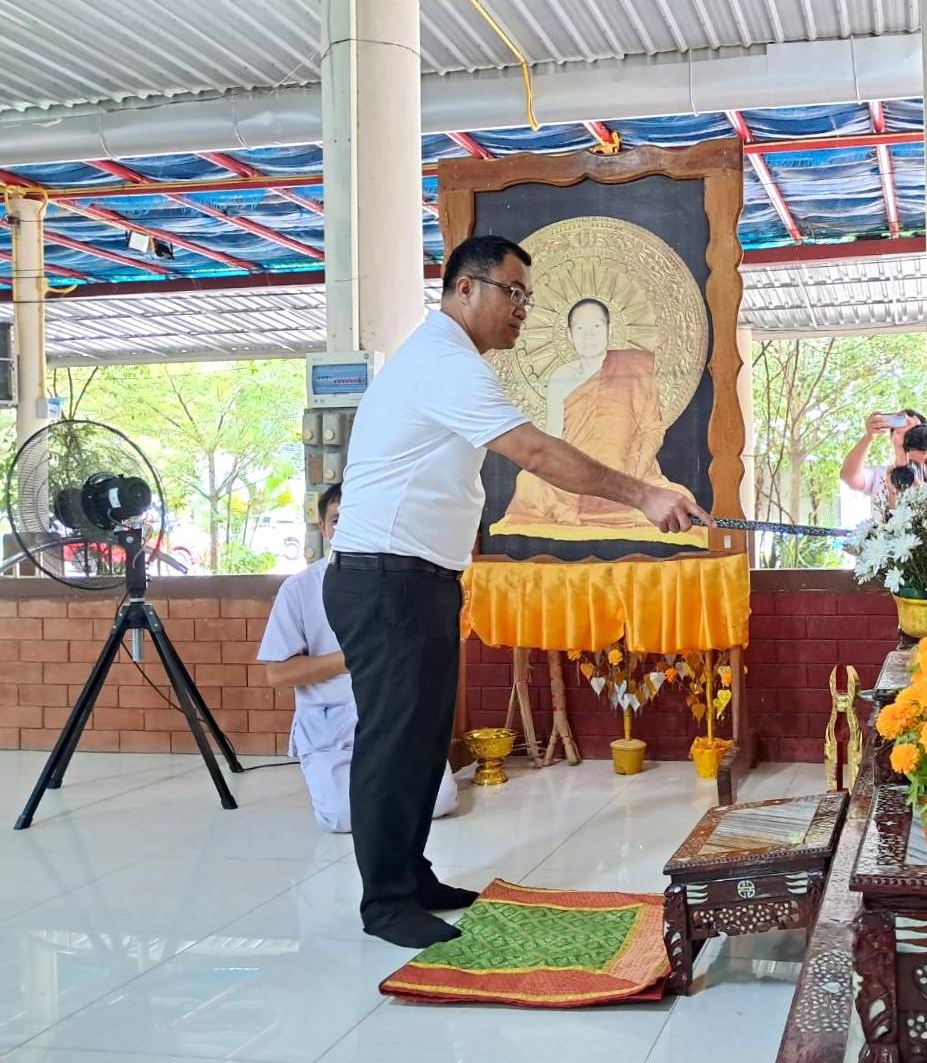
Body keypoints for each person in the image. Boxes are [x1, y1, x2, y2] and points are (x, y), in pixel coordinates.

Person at [325, 234, 710, 948]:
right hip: (385, 578)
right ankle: (384, 902)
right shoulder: (444, 361)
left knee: (420, 737)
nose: (523, 312)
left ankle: (411, 876)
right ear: (463, 289)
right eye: (513, 293)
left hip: (419, 577)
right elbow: (533, 451)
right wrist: (643, 495)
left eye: (528, 298)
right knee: (392, 740)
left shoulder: (454, 363)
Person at [258, 483, 459, 833]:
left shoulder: (401, 583)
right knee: (342, 817)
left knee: (440, 802)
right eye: (337, 519)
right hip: (330, 724)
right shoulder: (300, 588)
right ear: (323, 528)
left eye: (355, 518)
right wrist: (355, 658)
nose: (345, 526)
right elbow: (277, 674)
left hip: (395, 720)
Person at [494, 296, 701, 543]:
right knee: (528, 483)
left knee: (679, 495)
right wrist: (567, 478)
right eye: (580, 328)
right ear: (569, 335)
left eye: (596, 327)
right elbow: (552, 439)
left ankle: (615, 505)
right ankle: (591, 508)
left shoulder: (635, 368)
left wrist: (633, 474)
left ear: (608, 331)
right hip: (574, 481)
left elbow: (652, 429)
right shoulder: (560, 378)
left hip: (631, 476)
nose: (588, 335)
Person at [841, 409, 927, 518]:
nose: (909, 438)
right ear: (893, 438)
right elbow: (849, 476)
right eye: (903, 434)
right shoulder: (882, 475)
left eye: (916, 434)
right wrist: (868, 436)